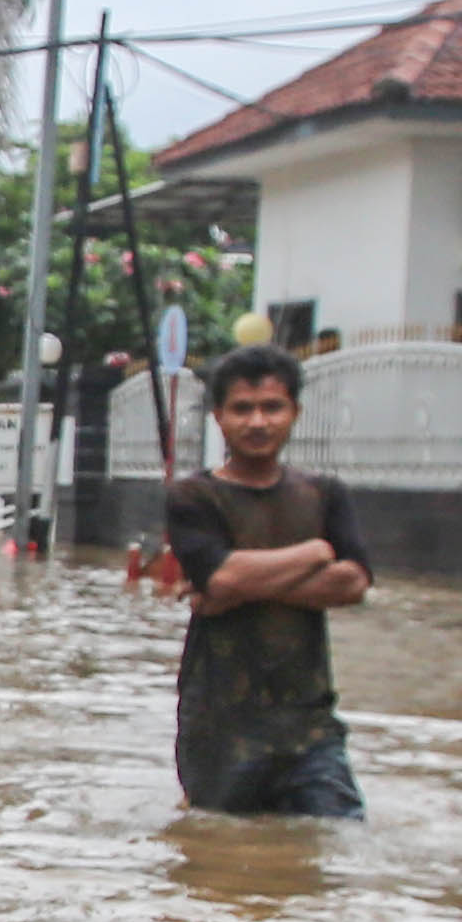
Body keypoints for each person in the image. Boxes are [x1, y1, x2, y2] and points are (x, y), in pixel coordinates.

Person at [156, 345, 375, 818]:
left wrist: (235, 587)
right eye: (242, 409)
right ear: (219, 417)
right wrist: (316, 554)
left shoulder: (323, 494)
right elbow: (221, 577)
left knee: (337, 841)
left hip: (309, 722)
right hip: (219, 723)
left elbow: (354, 583)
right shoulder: (193, 497)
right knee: (218, 853)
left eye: (272, 407)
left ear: (294, 412)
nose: (258, 422)